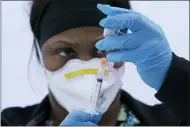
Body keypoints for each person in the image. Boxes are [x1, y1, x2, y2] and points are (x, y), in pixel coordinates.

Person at [1, 0, 189, 126]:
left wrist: (176, 79)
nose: (87, 66)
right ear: (41, 54)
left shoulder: (173, 120)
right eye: (65, 51)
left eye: (102, 50)